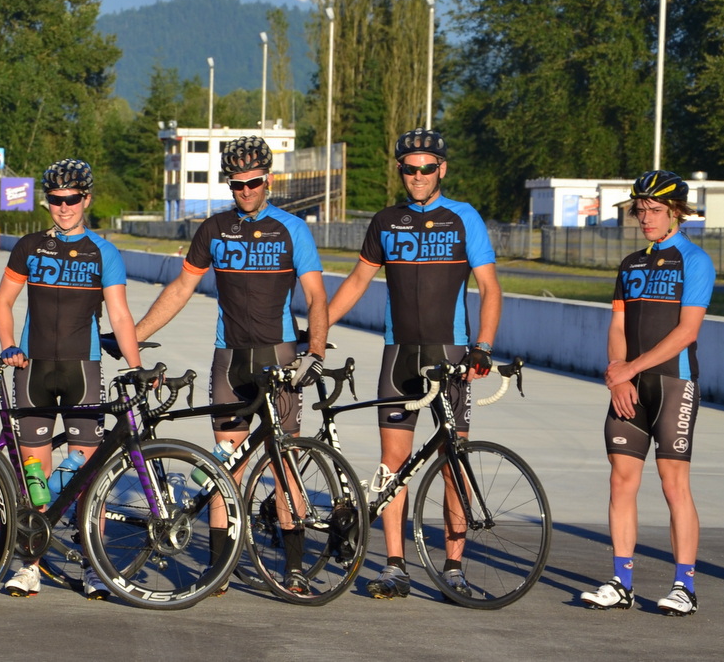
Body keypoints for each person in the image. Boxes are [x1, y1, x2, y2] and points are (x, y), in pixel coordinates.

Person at [134, 136, 327, 594]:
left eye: (254, 182)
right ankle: (219, 568)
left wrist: (314, 352)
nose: (245, 191)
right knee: (227, 466)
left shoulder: (291, 229)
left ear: (269, 180)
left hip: (279, 355)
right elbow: (182, 288)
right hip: (230, 359)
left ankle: (294, 568)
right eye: (236, 184)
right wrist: (134, 336)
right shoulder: (215, 228)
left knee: (286, 465)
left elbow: (317, 296)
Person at [326, 128, 501, 600]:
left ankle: (454, 567)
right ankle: (395, 566)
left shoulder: (465, 218)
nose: (418, 176)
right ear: (401, 171)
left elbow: (489, 288)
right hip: (398, 355)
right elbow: (358, 280)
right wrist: (317, 328)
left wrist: (483, 345)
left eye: (426, 168)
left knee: (454, 463)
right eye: (409, 168)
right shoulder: (386, 220)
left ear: (441, 169)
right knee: (393, 464)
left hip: (451, 354)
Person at [0, 159, 143, 600]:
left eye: (72, 199)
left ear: (87, 199)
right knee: (36, 477)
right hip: (33, 369)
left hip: (84, 371)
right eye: (56, 200)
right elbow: (3, 301)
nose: (63, 208)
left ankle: (93, 568)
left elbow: (119, 313)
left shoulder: (103, 251)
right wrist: (8, 345)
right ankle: (30, 566)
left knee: (86, 479)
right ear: (47, 201)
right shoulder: (29, 247)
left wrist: (133, 367)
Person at [579, 171, 712, 616]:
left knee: (674, 484)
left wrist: (630, 370)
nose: (645, 218)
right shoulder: (631, 263)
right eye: (640, 210)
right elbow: (617, 326)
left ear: (677, 212)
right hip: (629, 387)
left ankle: (684, 586)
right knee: (621, 481)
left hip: (674, 383)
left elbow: (687, 331)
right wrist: (619, 379)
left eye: (654, 211)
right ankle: (622, 581)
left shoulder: (695, 261)